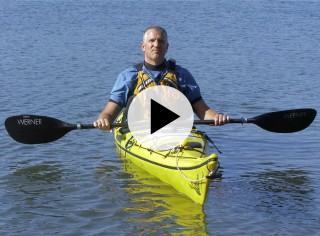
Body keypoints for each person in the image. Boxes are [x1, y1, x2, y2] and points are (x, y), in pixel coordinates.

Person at [94, 26, 229, 130]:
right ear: (143, 46)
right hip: (140, 133)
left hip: (176, 132)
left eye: (161, 41)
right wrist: (104, 120)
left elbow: (203, 111)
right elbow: (109, 113)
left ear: (167, 46)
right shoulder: (128, 76)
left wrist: (217, 117)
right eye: (151, 41)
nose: (156, 44)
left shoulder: (181, 75)